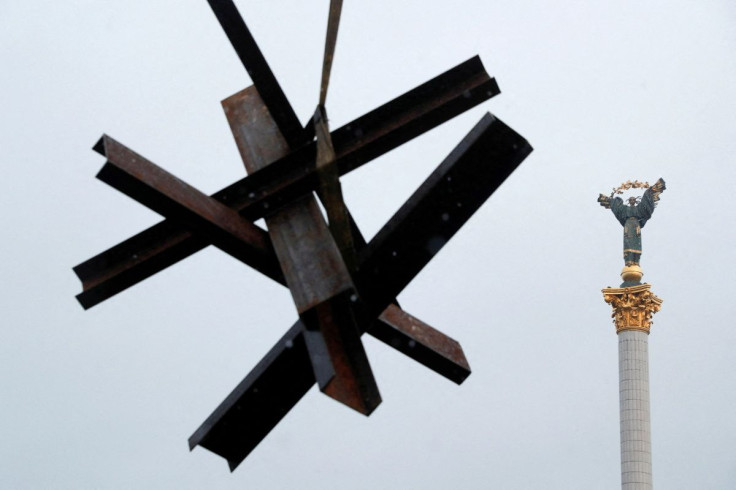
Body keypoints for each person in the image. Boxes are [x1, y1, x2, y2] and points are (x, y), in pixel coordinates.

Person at [598, 178, 666, 266]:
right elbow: (617, 206)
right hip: (628, 225)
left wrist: (650, 192)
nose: (632, 200)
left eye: (633, 199)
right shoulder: (625, 209)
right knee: (628, 242)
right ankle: (628, 260)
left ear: (636, 201)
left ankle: (636, 261)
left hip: (636, 225)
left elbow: (646, 201)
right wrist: (610, 200)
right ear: (629, 201)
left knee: (636, 243)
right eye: (630, 199)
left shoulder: (639, 208)